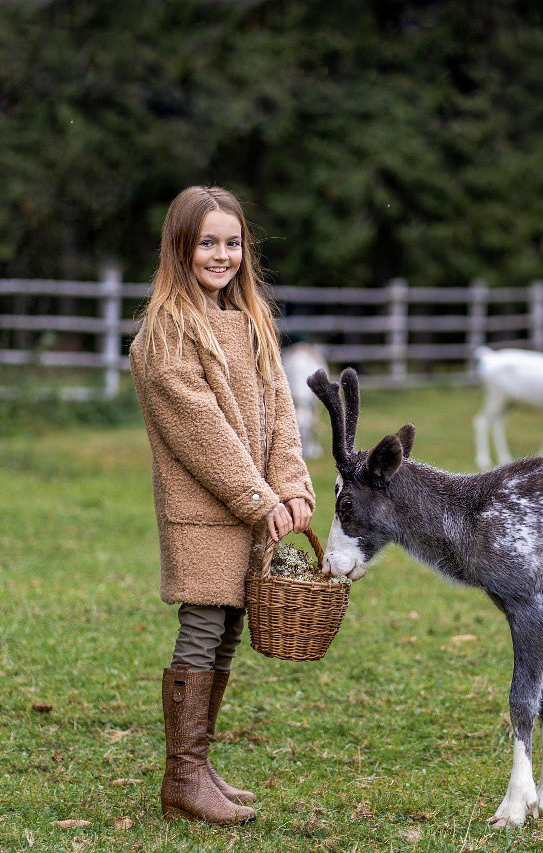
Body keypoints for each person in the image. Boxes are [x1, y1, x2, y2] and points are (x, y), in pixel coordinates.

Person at [130, 186, 315, 825]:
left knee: (230, 630)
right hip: (206, 509)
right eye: (207, 242)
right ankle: (181, 775)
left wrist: (291, 486)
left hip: (252, 507)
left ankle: (200, 766)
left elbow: (282, 412)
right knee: (204, 624)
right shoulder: (166, 332)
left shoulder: (250, 319)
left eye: (232, 243)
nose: (222, 255)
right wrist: (258, 498)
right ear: (180, 247)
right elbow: (200, 430)